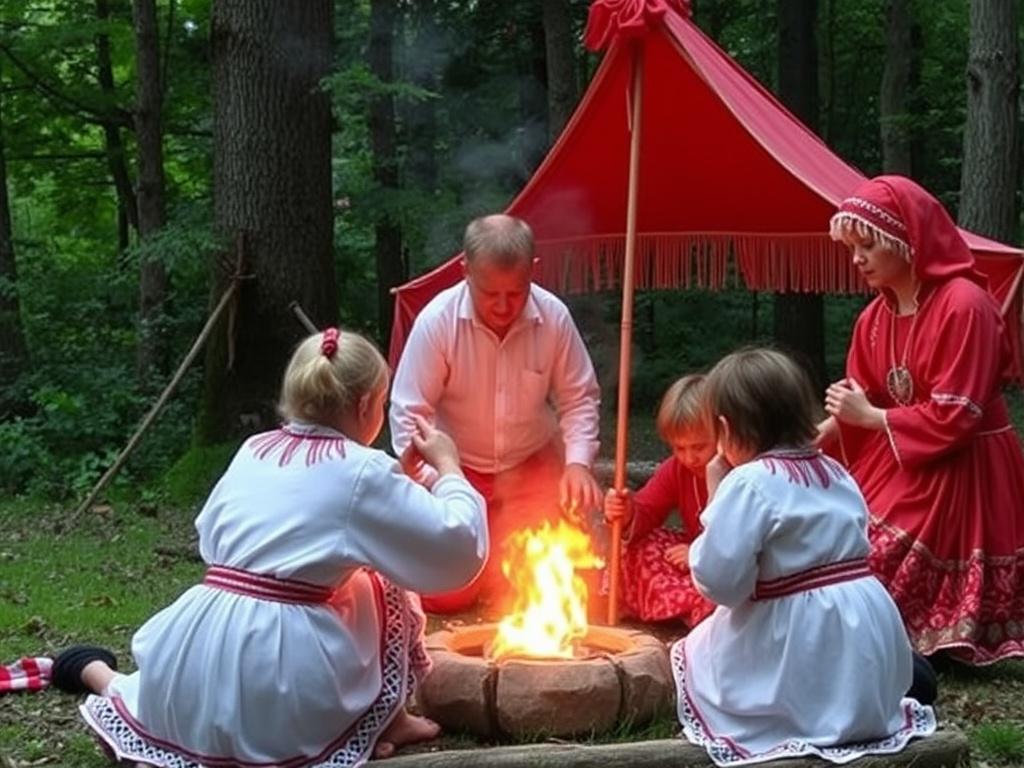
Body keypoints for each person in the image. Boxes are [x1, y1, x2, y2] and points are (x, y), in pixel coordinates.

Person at [53, 328, 488, 767]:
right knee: (381, 582)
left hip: (195, 650)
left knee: (151, 699)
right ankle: (386, 717)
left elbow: (223, 534)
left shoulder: (254, 448)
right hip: (274, 679)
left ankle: (91, 669)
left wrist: (401, 483)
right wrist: (448, 467)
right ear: (365, 405)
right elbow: (456, 547)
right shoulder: (363, 469)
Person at [671, 348, 936, 766]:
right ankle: (877, 694)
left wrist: (718, 491)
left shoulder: (749, 482)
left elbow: (721, 584)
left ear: (725, 428)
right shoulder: (835, 472)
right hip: (866, 627)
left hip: (804, 640)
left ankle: (804, 713)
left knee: (695, 659)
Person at [821, 174, 1024, 665]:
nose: (857, 259)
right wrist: (822, 433)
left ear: (906, 241)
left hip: (963, 465)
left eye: (868, 245)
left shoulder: (965, 305)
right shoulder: (874, 319)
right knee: (838, 547)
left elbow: (959, 413)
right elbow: (863, 394)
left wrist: (872, 417)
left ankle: (928, 638)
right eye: (852, 249)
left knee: (875, 568)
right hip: (899, 458)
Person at [390, 213, 602, 614]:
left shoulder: (554, 317)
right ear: (465, 270)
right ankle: (481, 564)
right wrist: (442, 482)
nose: (504, 306)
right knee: (446, 593)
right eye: (490, 293)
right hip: (457, 472)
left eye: (516, 293)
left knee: (558, 576)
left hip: (532, 469)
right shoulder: (437, 321)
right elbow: (409, 416)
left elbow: (579, 398)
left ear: (533, 270)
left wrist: (578, 464)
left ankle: (496, 561)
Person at [604, 374, 716, 625]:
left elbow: (741, 542)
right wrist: (627, 512)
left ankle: (699, 611)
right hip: (689, 562)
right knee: (636, 548)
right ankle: (685, 607)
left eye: (699, 447)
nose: (689, 459)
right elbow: (647, 510)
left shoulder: (739, 471)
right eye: (679, 448)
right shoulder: (676, 469)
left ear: (722, 434)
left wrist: (699, 555)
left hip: (727, 566)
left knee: (729, 591)